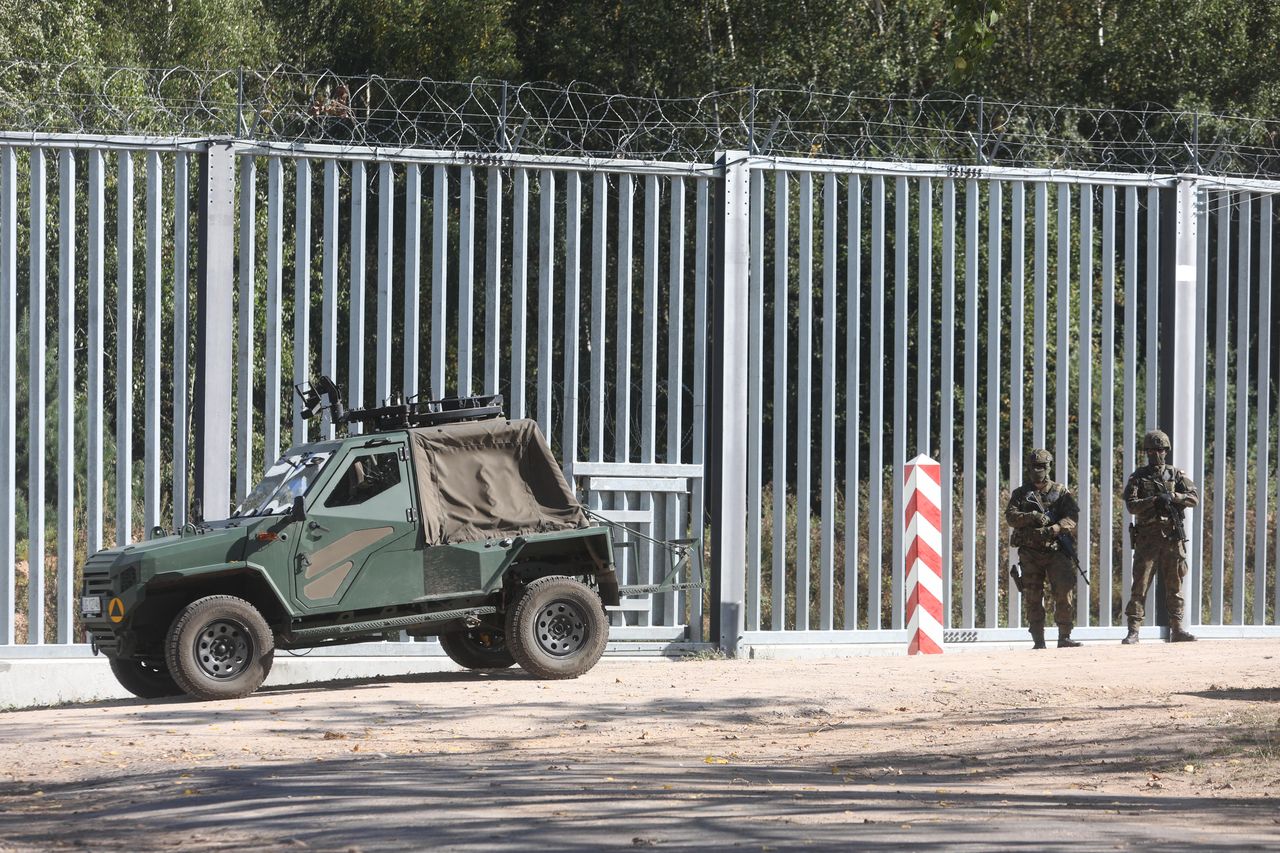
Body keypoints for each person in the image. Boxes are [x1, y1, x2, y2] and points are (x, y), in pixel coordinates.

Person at [1121, 430, 1198, 644]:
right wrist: (1154, 500)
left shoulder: (1176, 475)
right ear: (1146, 452)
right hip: (1147, 539)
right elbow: (1131, 505)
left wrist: (1174, 496)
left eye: (1161, 450)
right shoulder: (1138, 477)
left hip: (1172, 538)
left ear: (1167, 451)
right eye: (1152, 450)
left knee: (1175, 585)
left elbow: (1194, 498)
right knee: (1140, 585)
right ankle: (1133, 630)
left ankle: (1177, 629)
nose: (1157, 454)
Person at [1005, 448, 1082, 649]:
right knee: (1032, 596)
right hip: (1030, 553)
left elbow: (1072, 516)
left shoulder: (1060, 492)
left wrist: (1055, 528)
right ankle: (1038, 641)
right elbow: (1011, 517)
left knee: (1064, 594)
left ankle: (1064, 637)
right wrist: (1031, 516)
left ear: (1048, 467)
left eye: (1041, 466)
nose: (1037, 470)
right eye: (1033, 467)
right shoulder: (1021, 494)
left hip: (1056, 551)